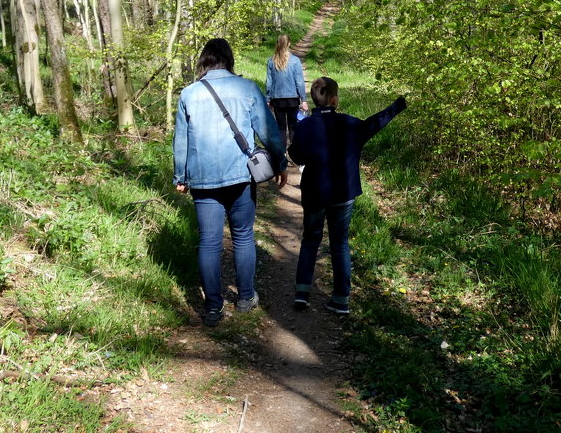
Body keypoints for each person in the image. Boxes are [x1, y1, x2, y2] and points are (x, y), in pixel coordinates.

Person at [174, 39, 289, 327]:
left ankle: (213, 308)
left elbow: (181, 141)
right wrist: (280, 162)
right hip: (241, 176)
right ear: (229, 59)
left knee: (209, 242)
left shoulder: (189, 94)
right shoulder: (247, 88)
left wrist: (180, 176)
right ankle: (246, 298)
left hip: (203, 179)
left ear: (204, 61)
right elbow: (268, 131)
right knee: (243, 236)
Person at [288, 77, 406, 315]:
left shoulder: (305, 126)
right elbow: (376, 122)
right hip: (343, 193)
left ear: (313, 99)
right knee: (339, 243)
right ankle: (341, 299)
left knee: (310, 239)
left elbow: (296, 156)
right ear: (335, 100)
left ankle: (302, 293)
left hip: (314, 192)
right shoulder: (351, 124)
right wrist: (397, 106)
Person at [265, 34, 308, 152]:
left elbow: (269, 82)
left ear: (277, 43)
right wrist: (303, 99)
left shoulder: (271, 61)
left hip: (277, 99)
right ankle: (294, 153)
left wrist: (268, 99)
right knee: (293, 126)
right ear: (289, 44)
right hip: (292, 99)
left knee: (281, 128)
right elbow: (299, 81)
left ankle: (282, 154)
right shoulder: (295, 61)